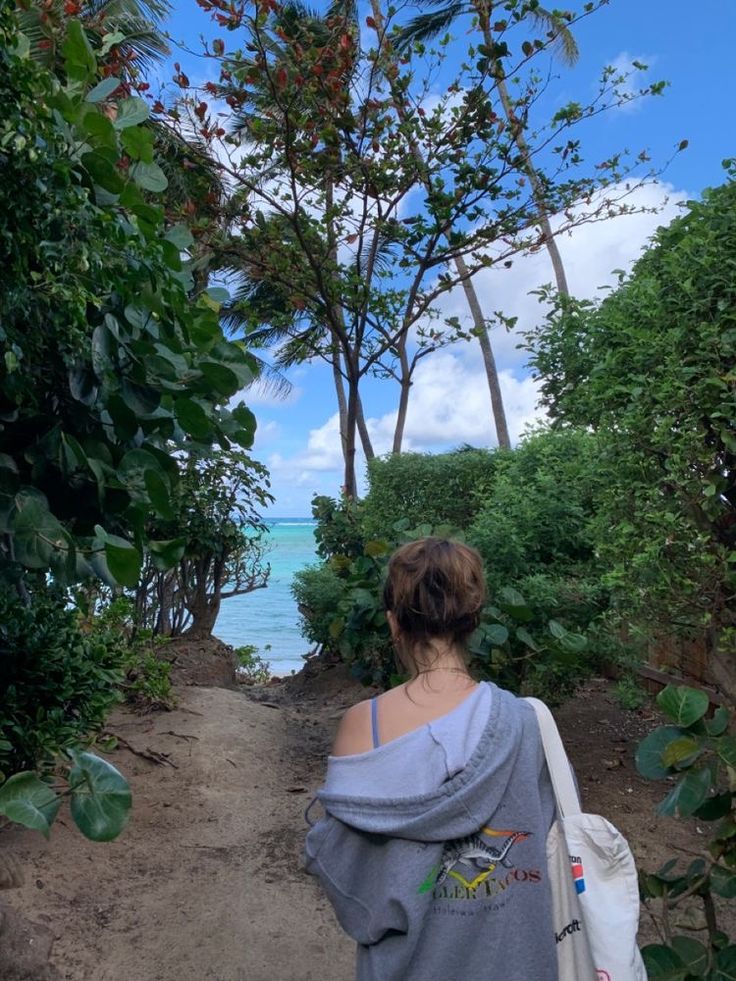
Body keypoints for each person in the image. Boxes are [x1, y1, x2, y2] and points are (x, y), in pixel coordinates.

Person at [304, 537, 567, 981]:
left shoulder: (360, 725)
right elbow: (550, 847)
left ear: (393, 623)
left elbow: (353, 888)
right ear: (474, 619)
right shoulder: (526, 723)